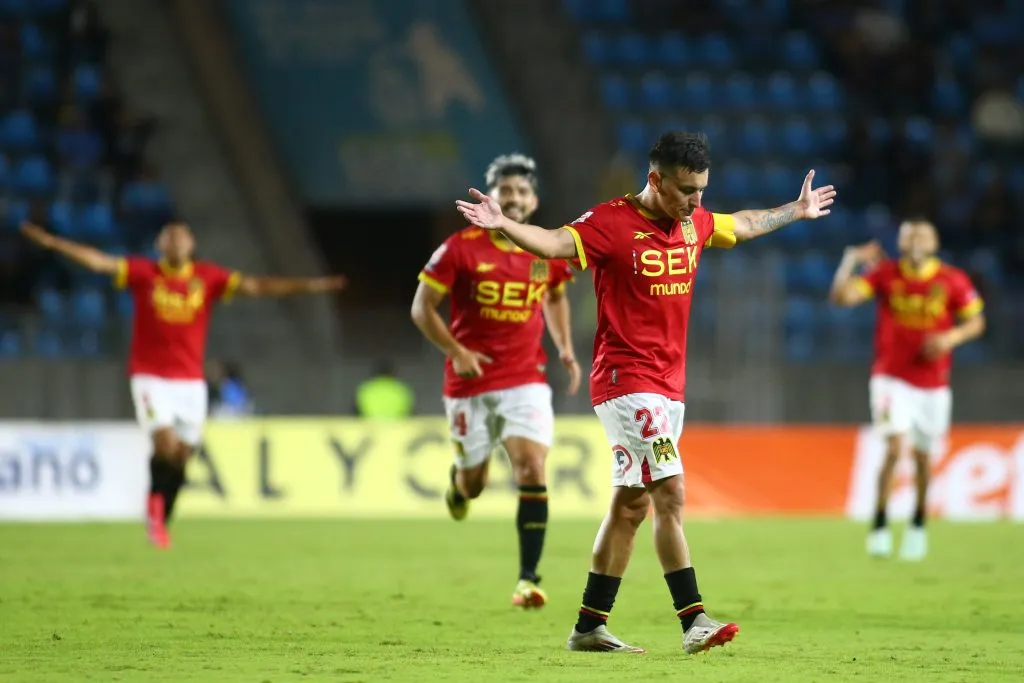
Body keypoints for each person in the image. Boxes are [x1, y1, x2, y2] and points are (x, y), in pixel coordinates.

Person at [456, 132, 835, 653]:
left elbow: (742, 224)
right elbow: (555, 242)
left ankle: (589, 625)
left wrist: (795, 209)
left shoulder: (693, 222)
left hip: (667, 386)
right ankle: (694, 618)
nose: (695, 201)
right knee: (671, 494)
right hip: (626, 382)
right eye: (685, 190)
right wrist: (505, 225)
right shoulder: (611, 223)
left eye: (701, 190)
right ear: (655, 179)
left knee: (630, 507)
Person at [21, 220, 346, 548]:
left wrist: (309, 286)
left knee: (181, 456)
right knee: (164, 442)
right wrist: (52, 243)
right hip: (150, 376)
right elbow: (98, 261)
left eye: (182, 238)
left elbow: (257, 287)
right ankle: (153, 507)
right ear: (160, 244)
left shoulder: (208, 278)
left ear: (191, 244)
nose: (176, 243)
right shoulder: (143, 273)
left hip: (190, 381)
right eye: (169, 238)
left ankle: (162, 518)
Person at [411, 153, 581, 610]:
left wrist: (563, 345)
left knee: (531, 466)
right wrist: (457, 351)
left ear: (534, 200)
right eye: (506, 190)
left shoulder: (542, 250)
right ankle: (458, 484)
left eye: (522, 191)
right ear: (491, 197)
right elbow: (420, 308)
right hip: (470, 382)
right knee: (475, 484)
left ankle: (528, 579)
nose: (514, 197)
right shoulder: (460, 248)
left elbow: (556, 295)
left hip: (526, 377)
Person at [830, 219, 985, 561]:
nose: (916, 240)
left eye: (923, 235)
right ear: (900, 242)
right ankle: (881, 524)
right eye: (909, 234)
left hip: (933, 383)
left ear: (934, 242)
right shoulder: (885, 274)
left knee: (924, 458)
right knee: (895, 447)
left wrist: (951, 337)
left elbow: (976, 320)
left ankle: (917, 523)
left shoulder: (952, 280)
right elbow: (841, 298)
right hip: (890, 378)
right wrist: (850, 261)